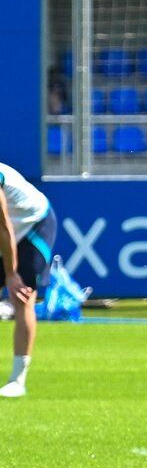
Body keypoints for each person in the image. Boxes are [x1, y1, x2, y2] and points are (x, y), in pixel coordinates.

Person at [0, 163, 56, 398]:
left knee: (22, 296)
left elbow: (4, 228)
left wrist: (11, 275)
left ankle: (17, 380)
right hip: (7, 232)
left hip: (34, 225)